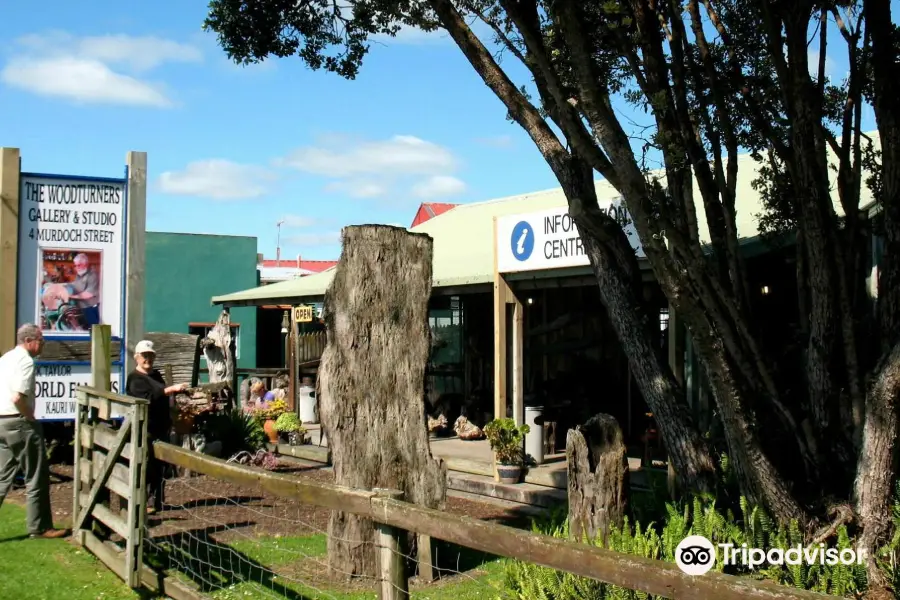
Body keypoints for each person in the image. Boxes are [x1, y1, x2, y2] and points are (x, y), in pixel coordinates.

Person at [0, 324, 70, 538]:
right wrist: (29, 415)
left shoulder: (6, 358)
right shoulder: (25, 362)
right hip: (19, 422)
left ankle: (39, 527)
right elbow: (18, 396)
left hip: (2, 422)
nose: (43, 345)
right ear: (29, 340)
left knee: (2, 477)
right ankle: (39, 527)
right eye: (41, 340)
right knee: (36, 476)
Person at [125, 340, 188, 514]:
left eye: (151, 355)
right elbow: (147, 398)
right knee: (146, 465)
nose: (148, 359)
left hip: (162, 428)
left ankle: (157, 501)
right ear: (136, 357)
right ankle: (142, 503)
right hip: (145, 430)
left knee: (160, 465)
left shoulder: (156, 374)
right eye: (145, 356)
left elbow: (162, 396)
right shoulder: (134, 378)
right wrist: (170, 390)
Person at [65, 253, 101, 328]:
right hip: (82, 309)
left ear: (86, 264)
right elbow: (75, 286)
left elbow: (88, 294)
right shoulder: (79, 275)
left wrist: (70, 296)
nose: (77, 267)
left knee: (93, 331)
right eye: (75, 265)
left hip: (91, 309)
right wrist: (64, 287)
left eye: (79, 265)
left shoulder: (92, 275)